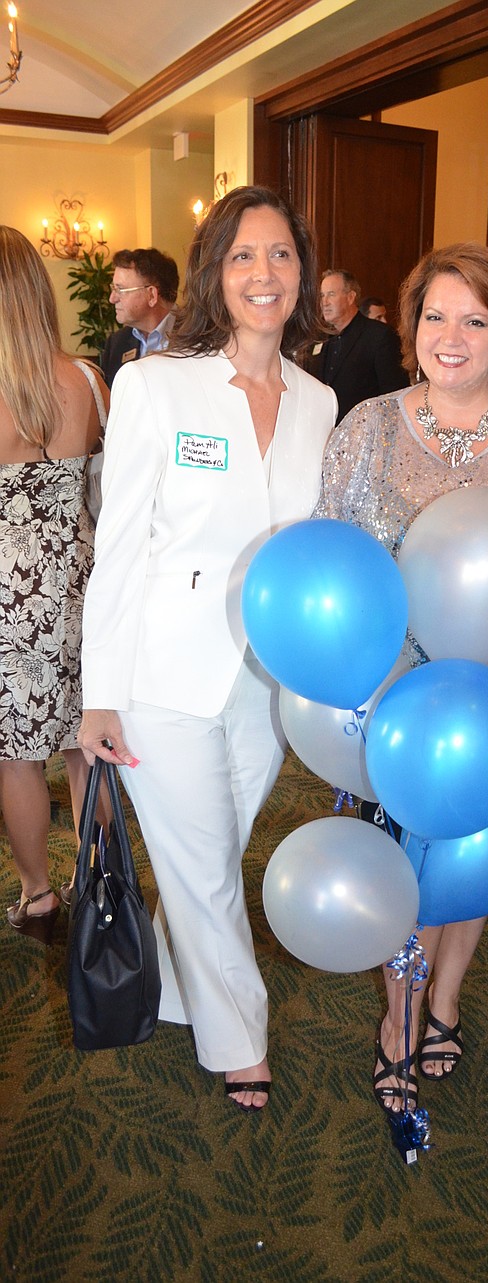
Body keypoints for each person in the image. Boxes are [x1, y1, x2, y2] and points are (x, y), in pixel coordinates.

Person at [314, 242, 488, 1115]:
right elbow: (338, 571)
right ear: (410, 324)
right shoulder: (366, 429)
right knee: (401, 867)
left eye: (475, 319)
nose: (452, 335)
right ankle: (398, 1019)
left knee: (472, 856)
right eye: (435, 315)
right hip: (393, 697)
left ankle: (447, 998)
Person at [78, 186, 336, 1112]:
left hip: (269, 678)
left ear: (302, 273)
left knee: (211, 853)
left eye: (281, 254)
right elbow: (119, 548)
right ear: (213, 273)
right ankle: (240, 1041)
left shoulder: (319, 401)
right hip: (162, 672)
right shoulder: (156, 384)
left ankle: (179, 984)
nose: (264, 274)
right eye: (243, 255)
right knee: (205, 860)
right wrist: (99, 692)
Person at [0, 226, 110, 943]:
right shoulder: (90, 381)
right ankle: (97, 880)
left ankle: (38, 893)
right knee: (86, 743)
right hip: (82, 580)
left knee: (16, 757)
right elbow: (111, 488)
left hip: (8, 596)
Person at [308, 269, 407, 421]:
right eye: (322, 295)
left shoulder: (379, 336)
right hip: (323, 428)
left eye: (331, 294)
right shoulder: (318, 338)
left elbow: (394, 395)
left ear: (350, 297)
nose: (324, 302)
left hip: (364, 429)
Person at [99, 247, 180, 388]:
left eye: (120, 289)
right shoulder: (117, 343)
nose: (112, 299)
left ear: (151, 295)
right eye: (113, 289)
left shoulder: (199, 335)